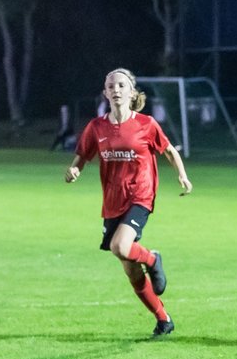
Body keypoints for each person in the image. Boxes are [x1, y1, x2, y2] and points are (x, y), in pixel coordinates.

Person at [65, 67, 192, 337]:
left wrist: (182, 175)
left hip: (140, 195)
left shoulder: (146, 124)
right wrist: (75, 169)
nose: (116, 90)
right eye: (111, 85)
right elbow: (83, 155)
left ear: (131, 91)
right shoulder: (96, 127)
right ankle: (163, 318)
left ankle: (153, 258)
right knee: (130, 269)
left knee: (120, 246)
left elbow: (168, 150)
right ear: (105, 92)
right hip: (113, 201)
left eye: (121, 85)